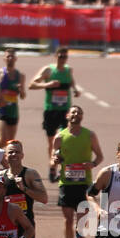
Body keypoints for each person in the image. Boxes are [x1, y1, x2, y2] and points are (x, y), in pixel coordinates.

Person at [50, 105, 103, 238]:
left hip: (83, 182)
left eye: (79, 112)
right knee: (67, 219)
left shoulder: (90, 135)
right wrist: (55, 162)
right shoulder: (60, 137)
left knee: (82, 217)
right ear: (67, 116)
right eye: (73, 112)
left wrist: (92, 164)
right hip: (66, 182)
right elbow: (52, 159)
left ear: (82, 116)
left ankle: (79, 233)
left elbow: (100, 156)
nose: (76, 114)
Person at [0, 141, 47, 238]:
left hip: (26, 227)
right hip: (6, 227)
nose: (14, 154)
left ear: (22, 155)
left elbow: (44, 198)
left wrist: (25, 189)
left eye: (17, 152)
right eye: (10, 152)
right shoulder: (0, 176)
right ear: (5, 156)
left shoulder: (30, 174)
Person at [30, 47, 79, 179]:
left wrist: (75, 90)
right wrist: (48, 85)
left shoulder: (68, 70)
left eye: (64, 57)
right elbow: (32, 84)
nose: (62, 59)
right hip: (51, 110)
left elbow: (72, 83)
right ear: (55, 56)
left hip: (65, 111)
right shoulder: (49, 70)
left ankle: (62, 169)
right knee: (52, 142)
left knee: (62, 140)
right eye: (60, 56)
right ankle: (52, 166)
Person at [0, 48, 26, 147]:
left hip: (13, 111)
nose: (10, 58)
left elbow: (23, 96)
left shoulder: (20, 76)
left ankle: (8, 161)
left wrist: (20, 90)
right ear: (4, 58)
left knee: (10, 142)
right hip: (0, 110)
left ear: (15, 58)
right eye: (8, 56)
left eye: (12, 56)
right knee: (2, 139)